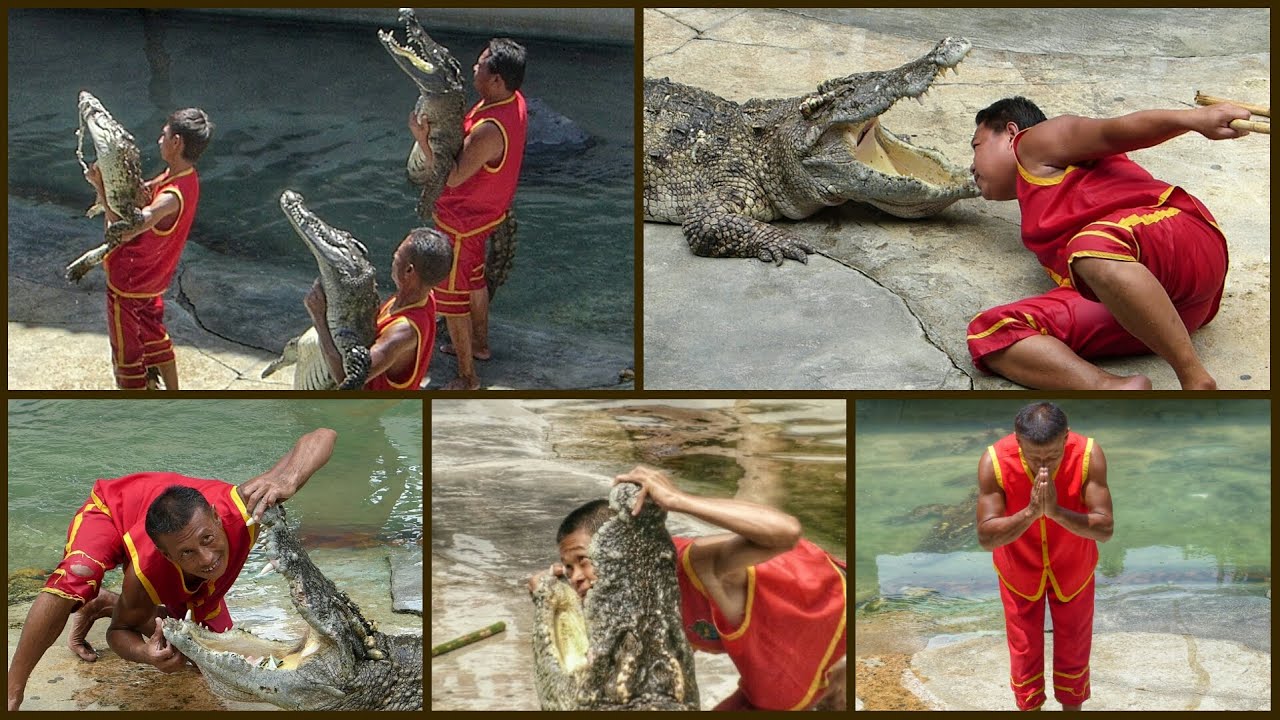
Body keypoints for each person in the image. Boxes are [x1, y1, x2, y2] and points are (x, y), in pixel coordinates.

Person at [6, 428, 337, 711]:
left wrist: (289, 479)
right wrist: (146, 655)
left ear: (217, 518)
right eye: (190, 553)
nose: (208, 559)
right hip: (112, 509)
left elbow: (324, 435)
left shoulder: (245, 507)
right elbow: (120, 632)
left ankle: (105, 602)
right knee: (78, 575)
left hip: (166, 524)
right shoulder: (149, 569)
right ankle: (12, 689)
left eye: (209, 538)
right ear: (167, 555)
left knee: (205, 657)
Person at [966, 96, 1252, 390]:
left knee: (1088, 248)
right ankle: (1111, 387)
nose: (972, 167)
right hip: (1162, 315)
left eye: (977, 146)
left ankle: (1194, 378)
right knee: (993, 333)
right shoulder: (1038, 207)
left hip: (1184, 244)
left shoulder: (1036, 142)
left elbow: (1114, 131)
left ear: (1011, 133)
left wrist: (1193, 119)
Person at [529, 466, 847, 710]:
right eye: (569, 568)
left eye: (583, 560)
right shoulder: (621, 599)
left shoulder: (695, 564)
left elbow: (787, 531)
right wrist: (548, 596)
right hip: (772, 658)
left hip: (823, 613)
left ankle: (836, 687)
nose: (577, 577)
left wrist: (679, 500)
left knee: (813, 692)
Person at [976, 402, 1114, 711]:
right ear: (1017, 439)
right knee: (1024, 650)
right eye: (1032, 456)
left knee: (1075, 646)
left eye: (1052, 456)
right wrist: (1029, 513)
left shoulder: (1089, 455)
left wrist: (1054, 512)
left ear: (1066, 437)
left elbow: (1105, 529)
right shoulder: (994, 460)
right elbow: (986, 537)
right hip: (1018, 569)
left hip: (1073, 566)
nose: (1044, 465)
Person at [408, 38, 528, 390]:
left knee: (453, 297)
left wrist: (422, 140)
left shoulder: (488, 130)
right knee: (474, 279)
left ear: (496, 81)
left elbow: (454, 175)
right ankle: (480, 345)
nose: (473, 68)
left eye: (480, 66)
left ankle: (467, 377)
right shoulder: (513, 101)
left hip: (463, 220)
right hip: (488, 212)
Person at [84, 108, 213, 391]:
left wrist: (101, 189)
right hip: (153, 280)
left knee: (127, 355)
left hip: (129, 281)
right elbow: (142, 191)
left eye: (164, 134)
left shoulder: (169, 197)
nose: (159, 139)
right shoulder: (184, 178)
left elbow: (128, 228)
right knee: (154, 334)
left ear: (177, 142)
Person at [305, 228, 453, 390]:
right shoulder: (423, 295)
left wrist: (318, 318)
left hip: (369, 410)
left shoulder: (402, 333)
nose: (393, 258)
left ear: (409, 270)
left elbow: (347, 381)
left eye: (397, 256)